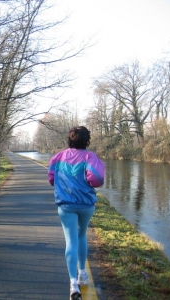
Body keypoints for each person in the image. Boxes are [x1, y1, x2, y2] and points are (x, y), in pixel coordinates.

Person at [47, 126, 105, 300]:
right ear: (87, 140)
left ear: (70, 139)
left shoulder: (58, 157)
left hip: (66, 205)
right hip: (86, 204)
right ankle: (82, 273)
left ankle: (73, 283)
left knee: (70, 241)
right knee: (81, 236)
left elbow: (51, 178)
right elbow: (96, 179)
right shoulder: (90, 157)